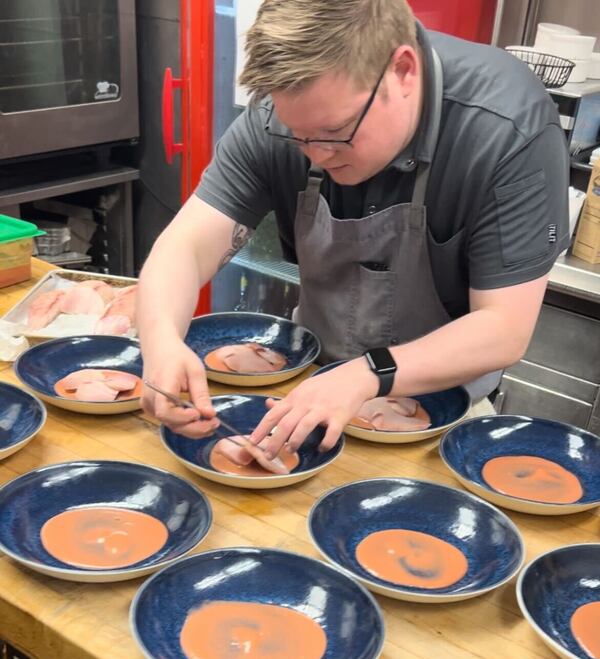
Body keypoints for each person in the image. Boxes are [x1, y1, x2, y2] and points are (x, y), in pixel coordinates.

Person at [137, 0, 569, 459]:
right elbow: (185, 246)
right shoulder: (282, 115)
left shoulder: (508, 128)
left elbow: (504, 328)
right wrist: (161, 341)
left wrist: (368, 373)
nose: (315, 154)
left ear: (403, 71)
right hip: (305, 389)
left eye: (334, 132)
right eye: (297, 136)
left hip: (441, 416)